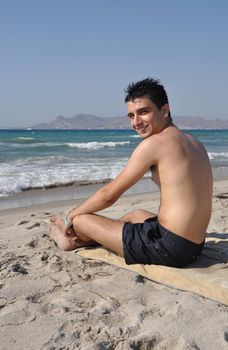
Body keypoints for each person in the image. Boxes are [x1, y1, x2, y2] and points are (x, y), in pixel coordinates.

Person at [49, 77, 213, 267]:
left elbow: (108, 195)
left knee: (81, 219)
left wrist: (72, 215)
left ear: (164, 110)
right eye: (131, 115)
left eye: (143, 112)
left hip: (168, 248)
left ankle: (69, 239)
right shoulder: (193, 142)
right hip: (194, 245)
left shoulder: (154, 144)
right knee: (135, 215)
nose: (136, 122)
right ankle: (90, 237)